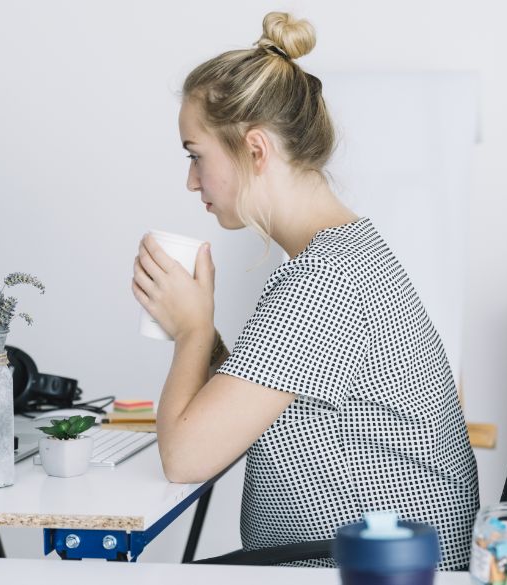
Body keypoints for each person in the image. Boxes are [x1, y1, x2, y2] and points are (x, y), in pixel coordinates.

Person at [131, 11, 479, 569]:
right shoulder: (348, 252)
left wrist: (193, 331)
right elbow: (258, 400)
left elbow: (185, 458)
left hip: (365, 570)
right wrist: (200, 329)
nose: (191, 180)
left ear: (255, 150)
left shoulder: (324, 280)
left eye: (196, 155)